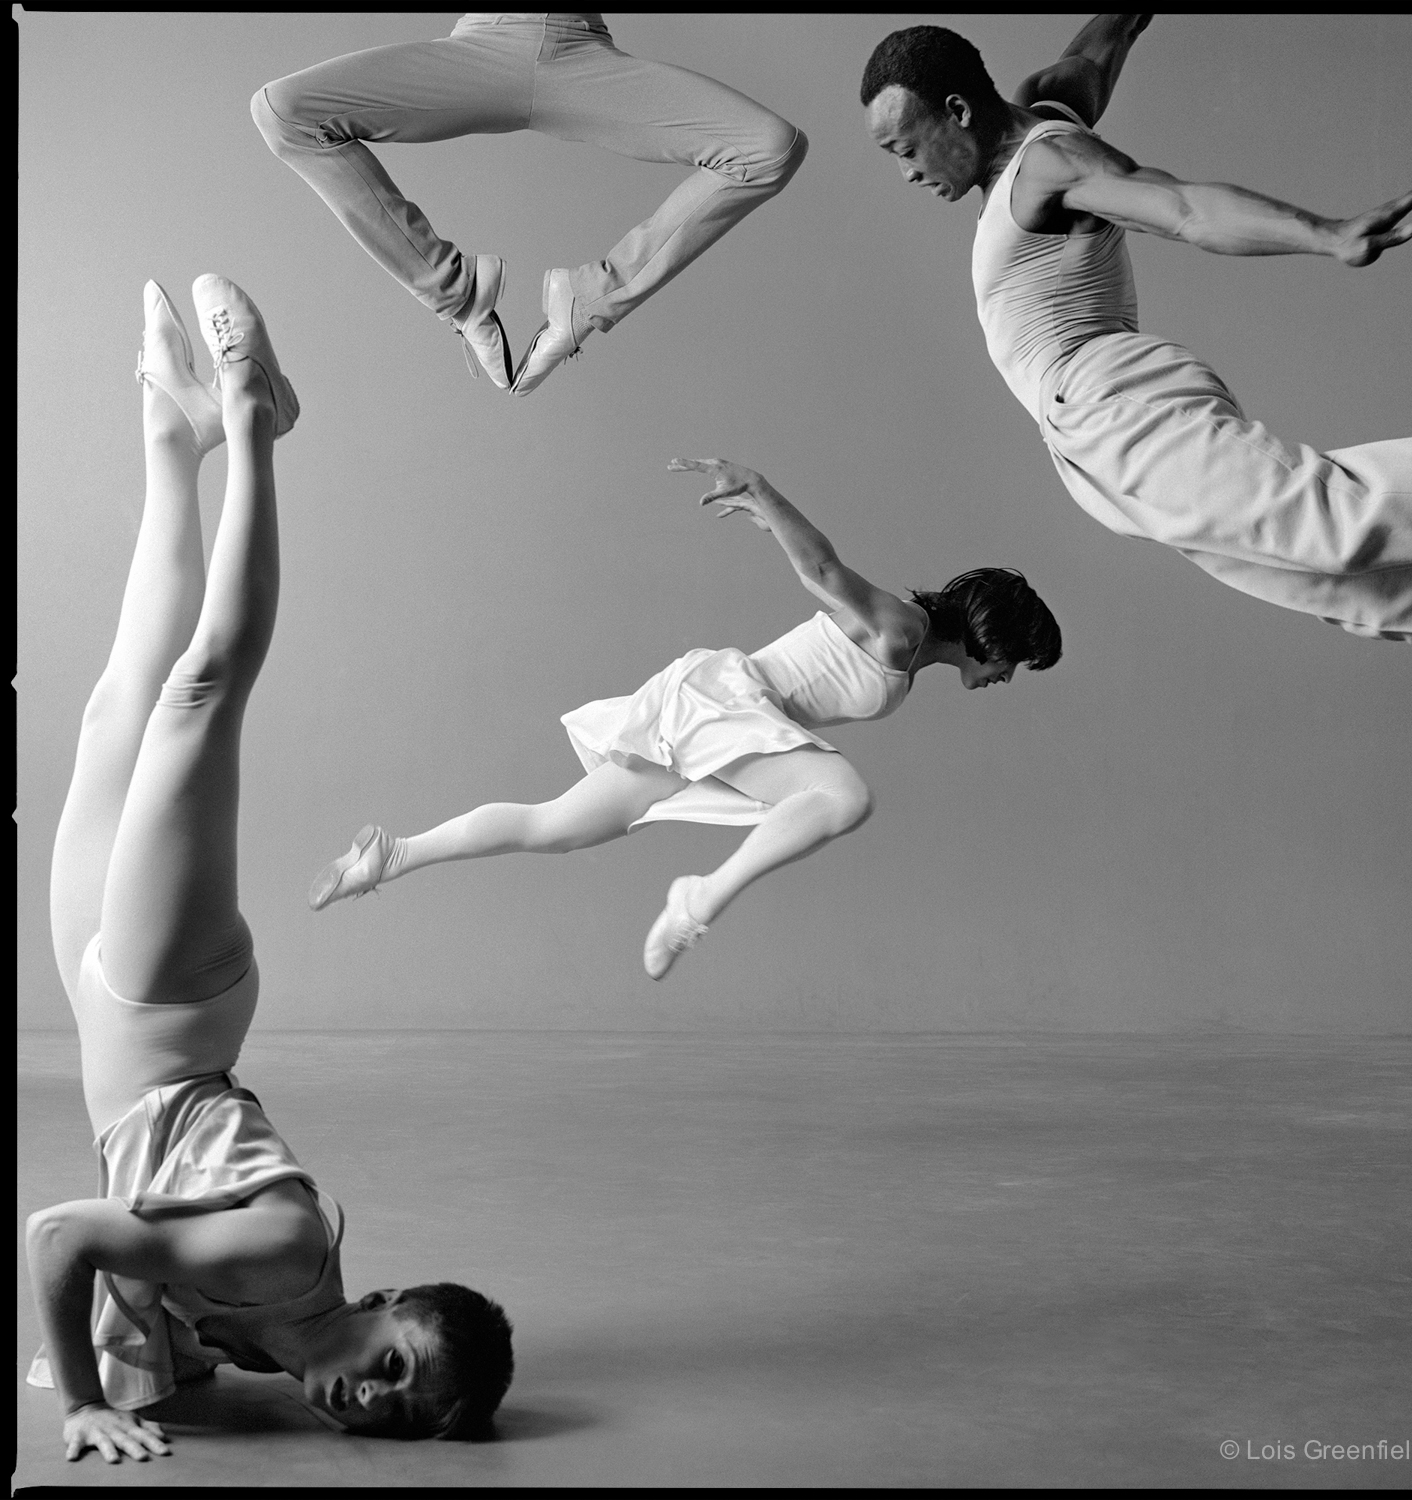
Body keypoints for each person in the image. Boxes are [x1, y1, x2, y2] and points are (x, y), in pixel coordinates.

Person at [27, 278, 514, 1464]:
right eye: (398, 1369)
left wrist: (182, 1360)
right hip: (168, 1013)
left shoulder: (273, 1338)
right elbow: (59, 1236)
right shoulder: (283, 1265)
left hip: (119, 1019)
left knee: (116, 708)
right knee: (201, 693)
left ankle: (173, 433)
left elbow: (155, 1268)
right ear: (387, 1304)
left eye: (401, 1415)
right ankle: (253, 418)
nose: (372, 1399)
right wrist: (85, 1396)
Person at [861, 16, 1412, 659]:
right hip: (1094, 439)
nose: (906, 172)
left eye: (904, 148)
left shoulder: (1050, 165)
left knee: (1333, 519)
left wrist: (1325, 234)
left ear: (957, 110)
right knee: (1339, 590)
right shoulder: (1046, 105)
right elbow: (1102, 47)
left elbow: (1184, 209)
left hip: (1114, 402)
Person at [309, 458, 1062, 979]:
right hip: (729, 710)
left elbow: (819, 576)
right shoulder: (900, 628)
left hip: (709, 717)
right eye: (1014, 664)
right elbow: (825, 572)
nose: (1005, 679)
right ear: (995, 641)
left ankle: (392, 855)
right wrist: (764, 493)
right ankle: (695, 901)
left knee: (551, 828)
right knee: (844, 797)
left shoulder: (908, 645)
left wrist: (767, 514)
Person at [252, 13, 807, 396]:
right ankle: (458, 294)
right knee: (285, 111)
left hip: (579, 55)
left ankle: (591, 296)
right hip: (483, 50)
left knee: (769, 148)